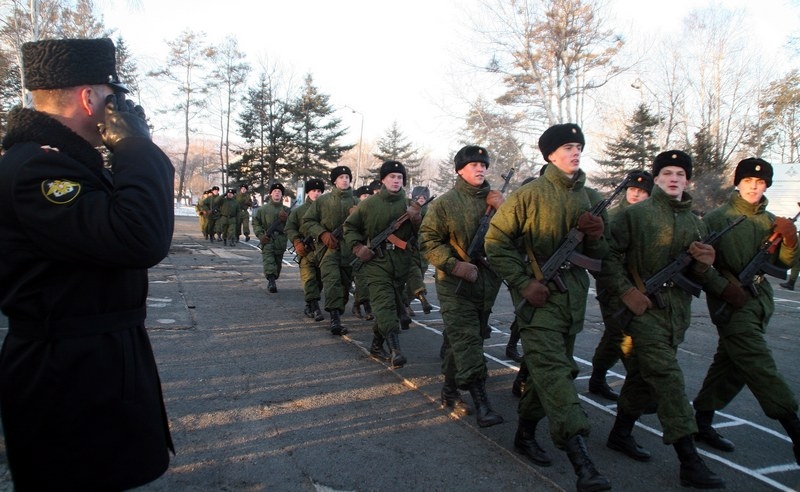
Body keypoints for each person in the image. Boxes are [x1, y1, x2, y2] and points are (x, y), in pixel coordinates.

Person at [0, 37, 173, 490]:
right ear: (89, 98)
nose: (121, 108)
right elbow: (140, 236)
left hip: (89, 362)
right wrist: (134, 145)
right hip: (67, 376)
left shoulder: (64, 163)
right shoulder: (37, 169)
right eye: (113, 97)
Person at [485, 123, 611, 492]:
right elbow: (496, 242)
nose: (575, 152)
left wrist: (597, 237)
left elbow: (603, 257)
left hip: (572, 302)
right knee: (556, 373)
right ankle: (582, 460)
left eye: (578, 146)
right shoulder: (530, 195)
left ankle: (524, 434)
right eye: (567, 147)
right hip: (538, 302)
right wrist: (523, 282)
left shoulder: (592, 197)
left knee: (547, 376)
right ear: (550, 155)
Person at [599, 150, 728, 489]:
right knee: (669, 380)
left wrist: (704, 265)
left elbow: (698, 276)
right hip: (642, 312)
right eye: (667, 173)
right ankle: (689, 460)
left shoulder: (696, 223)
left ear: (688, 180)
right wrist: (626, 291)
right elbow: (607, 257)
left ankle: (620, 433)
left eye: (680, 174)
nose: (674, 178)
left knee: (642, 377)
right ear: (656, 178)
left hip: (676, 315)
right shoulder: (635, 215)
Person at [691, 158, 800, 465]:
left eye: (760, 182)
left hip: (759, 301)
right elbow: (698, 263)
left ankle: (702, 420)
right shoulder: (717, 218)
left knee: (732, 364)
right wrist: (723, 288)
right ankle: (794, 429)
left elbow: (785, 264)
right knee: (757, 363)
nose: (754, 186)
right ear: (737, 183)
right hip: (729, 301)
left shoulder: (772, 222)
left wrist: (790, 240)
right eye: (748, 181)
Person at [419, 145, 506, 426]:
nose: (480, 169)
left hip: (486, 284)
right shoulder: (445, 203)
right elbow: (428, 241)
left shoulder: (498, 201)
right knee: (467, 341)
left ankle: (449, 390)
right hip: (453, 285)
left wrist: (504, 210)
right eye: (473, 165)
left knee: (465, 338)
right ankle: (483, 405)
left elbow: (515, 236)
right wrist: (454, 265)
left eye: (483, 164)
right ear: (459, 170)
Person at [344, 161, 419, 367]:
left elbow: (423, 235)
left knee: (390, 307)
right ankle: (396, 350)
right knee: (384, 304)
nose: (396, 181)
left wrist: (417, 220)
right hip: (376, 262)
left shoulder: (411, 206)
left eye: (399, 177)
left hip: (401, 263)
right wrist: (358, 247)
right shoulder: (369, 204)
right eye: (392, 177)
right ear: (383, 180)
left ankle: (376, 345)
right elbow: (350, 227)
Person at [588, 170, 654, 401]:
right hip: (613, 285)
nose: (636, 194)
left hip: (638, 286)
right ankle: (638, 389)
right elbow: (603, 255)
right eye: (632, 189)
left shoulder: (649, 218)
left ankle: (597, 378)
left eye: (642, 191)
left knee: (614, 335)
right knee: (622, 335)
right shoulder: (615, 216)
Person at [304, 166, 359, 335]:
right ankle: (335, 319)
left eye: (347, 177)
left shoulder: (357, 202)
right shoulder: (323, 201)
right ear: (334, 181)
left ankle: (338, 311)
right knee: (332, 281)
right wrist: (322, 234)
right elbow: (308, 221)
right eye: (341, 177)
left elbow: (367, 226)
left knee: (344, 286)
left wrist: (358, 217)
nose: (345, 180)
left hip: (349, 251)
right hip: (328, 250)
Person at [285, 178, 326, 322]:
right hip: (306, 251)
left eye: (319, 191)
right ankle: (315, 307)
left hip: (323, 251)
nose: (316, 193)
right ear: (308, 192)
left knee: (319, 280)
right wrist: (296, 241)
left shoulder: (326, 210)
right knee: (309, 279)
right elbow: (290, 228)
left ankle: (310, 305)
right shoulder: (299, 211)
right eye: (313, 191)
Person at [253, 183, 290, 293]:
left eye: (279, 192)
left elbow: (292, 225)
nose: (277, 193)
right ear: (270, 194)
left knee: (277, 264)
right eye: (275, 191)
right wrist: (260, 235)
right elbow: (256, 223)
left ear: (282, 195)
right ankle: (271, 281)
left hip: (280, 241)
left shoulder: (287, 210)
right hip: (267, 239)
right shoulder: (263, 209)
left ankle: (273, 278)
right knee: (269, 261)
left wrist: (287, 219)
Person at [404, 185, 434, 317]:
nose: (422, 198)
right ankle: (422, 299)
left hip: (423, 253)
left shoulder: (432, 213)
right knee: (415, 277)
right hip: (409, 251)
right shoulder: (407, 210)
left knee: (417, 279)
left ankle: (405, 303)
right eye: (419, 196)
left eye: (424, 196)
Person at [351, 184, 375, 321]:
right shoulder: (355, 212)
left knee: (368, 282)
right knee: (362, 281)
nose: (367, 198)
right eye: (364, 196)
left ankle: (358, 305)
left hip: (373, 251)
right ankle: (366, 308)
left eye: (369, 195)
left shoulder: (375, 211)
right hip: (357, 251)